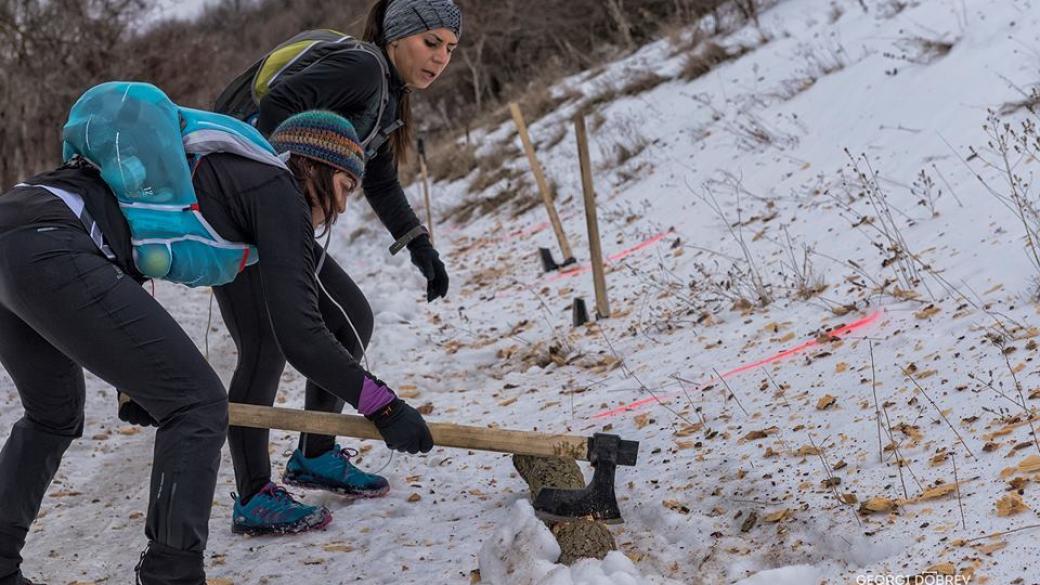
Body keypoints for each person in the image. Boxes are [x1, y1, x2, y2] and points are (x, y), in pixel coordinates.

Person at [0, 96, 433, 584]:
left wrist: (133, 383)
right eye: (346, 185)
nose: (343, 204)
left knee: (51, 416)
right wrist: (385, 406)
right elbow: (303, 337)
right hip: (53, 240)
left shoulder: (224, 174)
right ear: (316, 165)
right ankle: (173, 573)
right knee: (198, 404)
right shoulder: (278, 188)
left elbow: (131, 246)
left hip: (17, 227)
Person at [150, 0, 460, 528]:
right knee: (267, 342)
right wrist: (275, 186)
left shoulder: (384, 99)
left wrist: (418, 245)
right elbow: (281, 103)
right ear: (397, 36)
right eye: (431, 43)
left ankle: (315, 453)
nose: (441, 58)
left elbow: (379, 178)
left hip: (262, 206)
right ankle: (253, 497)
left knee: (350, 320)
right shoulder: (363, 68)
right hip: (239, 206)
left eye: (450, 49)